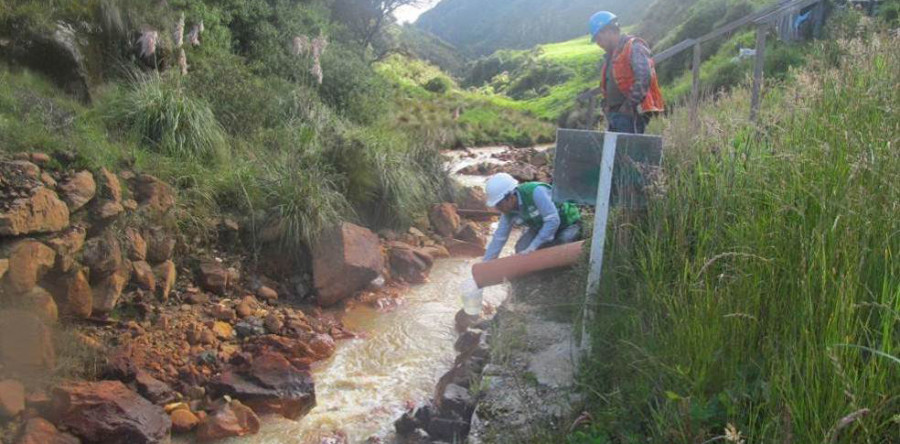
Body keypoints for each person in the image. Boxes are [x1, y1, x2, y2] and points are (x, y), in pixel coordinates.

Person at [590, 11, 665, 134]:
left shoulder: (634, 46)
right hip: (616, 115)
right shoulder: (611, 55)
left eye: (599, 38)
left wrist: (629, 106)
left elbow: (644, 77)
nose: (599, 44)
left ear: (609, 31)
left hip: (630, 115)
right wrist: (607, 106)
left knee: (628, 146)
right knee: (617, 146)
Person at [482, 173, 582, 261]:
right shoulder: (507, 212)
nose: (498, 209)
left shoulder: (536, 192)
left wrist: (533, 246)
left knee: (562, 245)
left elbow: (553, 220)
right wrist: (486, 263)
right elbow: (499, 238)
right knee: (521, 248)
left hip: (567, 223)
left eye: (499, 204)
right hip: (539, 227)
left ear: (511, 197)